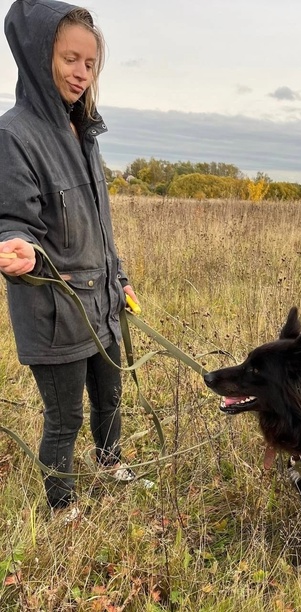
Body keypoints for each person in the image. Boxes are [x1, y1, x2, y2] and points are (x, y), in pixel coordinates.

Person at [0, 0, 140, 517]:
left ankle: (110, 463)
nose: (81, 74)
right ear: (40, 58)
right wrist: (14, 246)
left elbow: (99, 226)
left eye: (90, 64)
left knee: (110, 397)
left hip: (102, 305)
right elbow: (10, 218)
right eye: (70, 60)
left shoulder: (84, 132)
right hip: (56, 314)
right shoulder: (14, 134)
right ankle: (63, 507)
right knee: (65, 420)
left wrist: (119, 278)